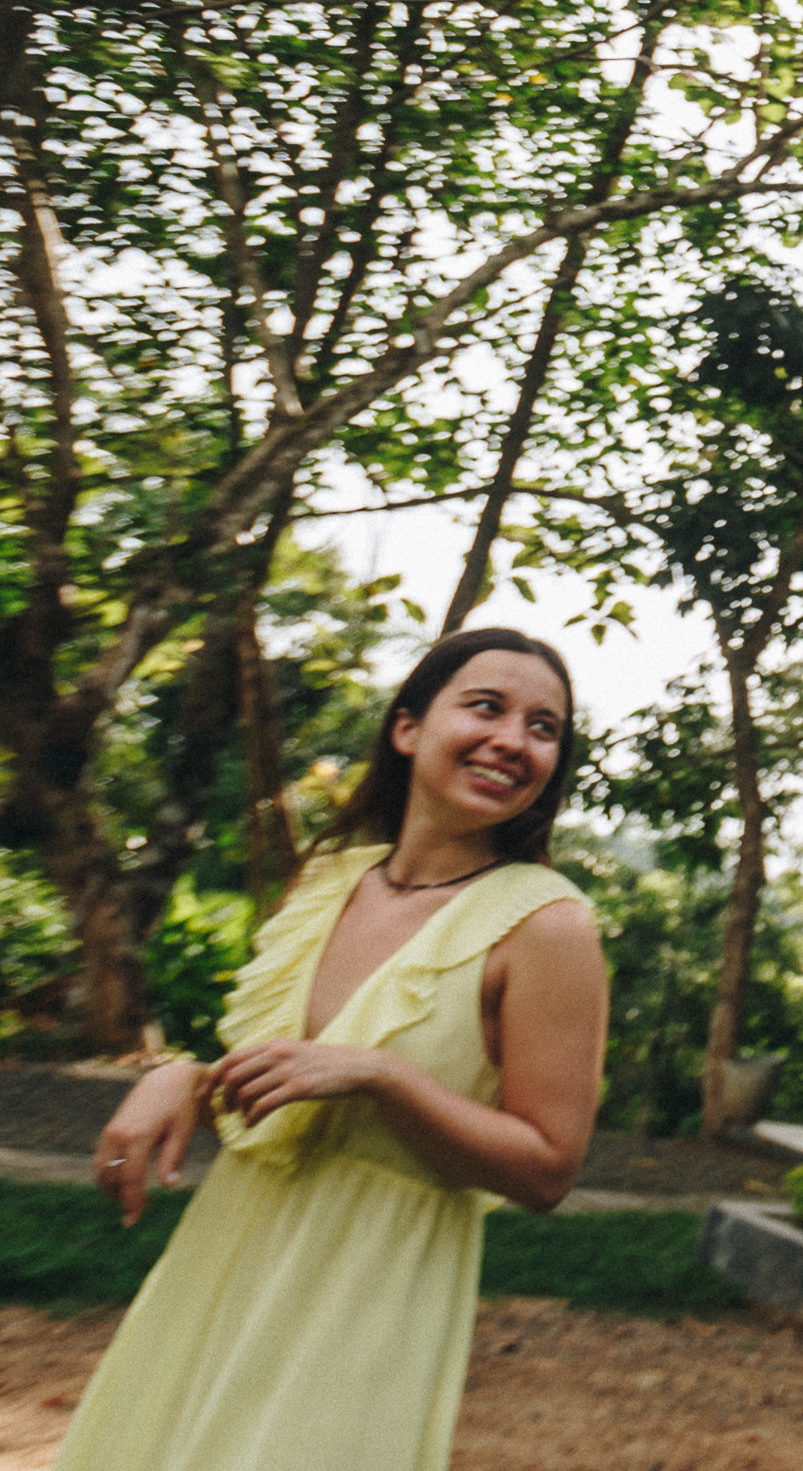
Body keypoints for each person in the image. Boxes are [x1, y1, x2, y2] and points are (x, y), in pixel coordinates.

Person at [58, 628, 610, 1471]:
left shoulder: (547, 924)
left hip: (367, 1292)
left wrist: (385, 1076)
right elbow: (288, 1090)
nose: (513, 740)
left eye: (544, 727)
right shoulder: (329, 882)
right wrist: (184, 1077)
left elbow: (547, 1167)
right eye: (487, 706)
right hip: (224, 1262)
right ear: (407, 728)